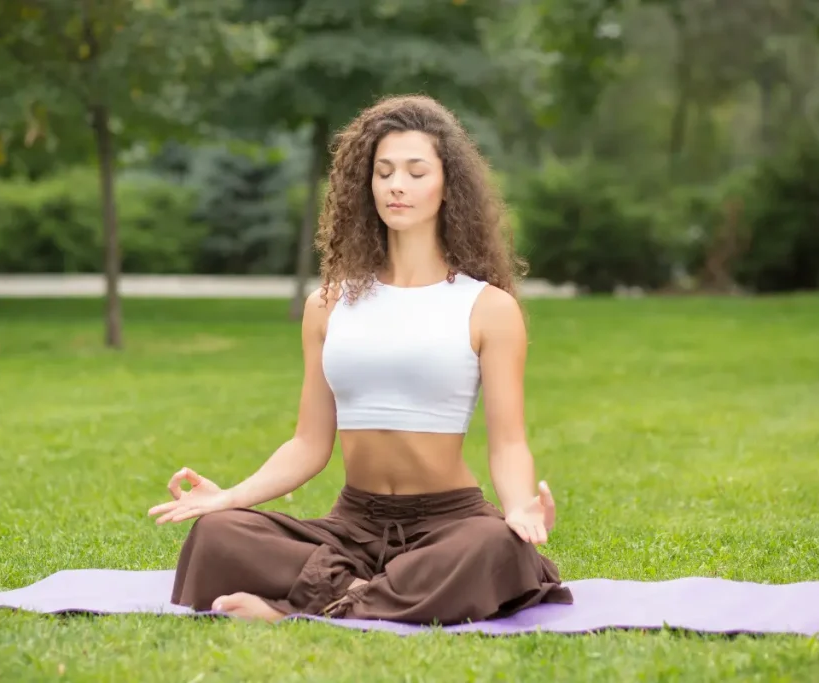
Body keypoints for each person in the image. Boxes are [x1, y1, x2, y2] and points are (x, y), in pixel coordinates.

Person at [147, 94, 574, 624]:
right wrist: (230, 496)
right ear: (365, 183)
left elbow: (509, 443)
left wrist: (516, 510)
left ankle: (309, 606)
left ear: (448, 187)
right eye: (384, 171)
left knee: (496, 546)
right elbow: (309, 444)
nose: (397, 185)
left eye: (417, 172)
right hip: (351, 525)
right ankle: (374, 596)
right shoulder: (327, 305)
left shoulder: (489, 308)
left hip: (449, 523)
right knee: (219, 534)